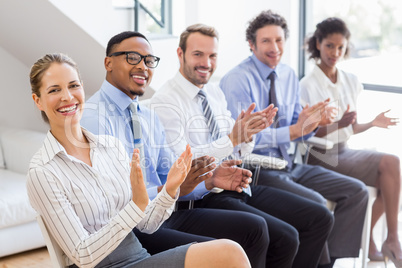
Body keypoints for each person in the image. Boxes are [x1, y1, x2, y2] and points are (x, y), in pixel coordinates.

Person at [26, 53, 250, 268]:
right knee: (229, 254)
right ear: (38, 101)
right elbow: (83, 256)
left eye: (73, 85)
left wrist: (170, 189)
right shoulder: (43, 172)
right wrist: (136, 207)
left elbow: (147, 225)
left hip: (139, 256)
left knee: (231, 252)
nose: (67, 96)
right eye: (55, 90)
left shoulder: (110, 147)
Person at [80, 31, 274, 268]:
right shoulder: (93, 118)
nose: (143, 66)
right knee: (223, 252)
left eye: (149, 61)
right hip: (129, 229)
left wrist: (209, 181)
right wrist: (170, 188)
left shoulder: (148, 117)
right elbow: (112, 200)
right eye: (133, 57)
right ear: (108, 62)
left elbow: (172, 174)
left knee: (254, 229)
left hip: (166, 214)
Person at [151, 23, 334, 268]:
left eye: (212, 55)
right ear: (180, 54)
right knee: (285, 237)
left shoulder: (214, 93)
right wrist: (231, 139)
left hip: (237, 184)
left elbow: (237, 151)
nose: (206, 62)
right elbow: (183, 165)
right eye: (198, 54)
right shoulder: (165, 102)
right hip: (205, 195)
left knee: (319, 217)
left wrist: (247, 135)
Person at [219, 10, 369, 268]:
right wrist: (293, 131)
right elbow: (241, 138)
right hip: (256, 169)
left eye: (279, 40)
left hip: (287, 163)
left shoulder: (288, 75)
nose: (274, 47)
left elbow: (297, 128)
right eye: (266, 41)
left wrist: (312, 124)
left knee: (357, 190)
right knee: (317, 204)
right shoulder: (237, 80)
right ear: (251, 44)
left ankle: (328, 261)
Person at [299, 17, 402, 265]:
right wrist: (339, 124)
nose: (335, 53)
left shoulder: (350, 81)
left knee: (392, 171)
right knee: (389, 169)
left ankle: (388, 238)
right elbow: (307, 135)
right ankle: (380, 242)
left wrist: (371, 123)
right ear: (318, 45)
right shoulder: (307, 84)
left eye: (340, 47)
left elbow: (351, 127)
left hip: (344, 151)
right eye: (329, 46)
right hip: (321, 155)